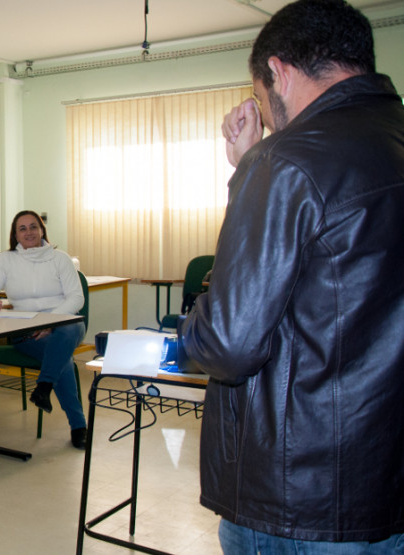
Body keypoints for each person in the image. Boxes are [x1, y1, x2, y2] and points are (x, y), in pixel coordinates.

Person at [180, 1, 404, 552]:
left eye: (260, 96)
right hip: (385, 475)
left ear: (278, 71)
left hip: (297, 491)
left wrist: (187, 331)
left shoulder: (284, 161)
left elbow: (229, 342)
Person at [0, 210, 87, 449]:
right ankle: (78, 425)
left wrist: (49, 322)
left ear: (42, 230)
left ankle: (44, 386)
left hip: (64, 324)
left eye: (33, 227)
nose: (29, 232)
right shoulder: (6, 260)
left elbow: (76, 298)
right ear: (15, 235)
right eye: (22, 228)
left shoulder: (60, 258)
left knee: (66, 333)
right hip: (26, 330)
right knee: (62, 360)